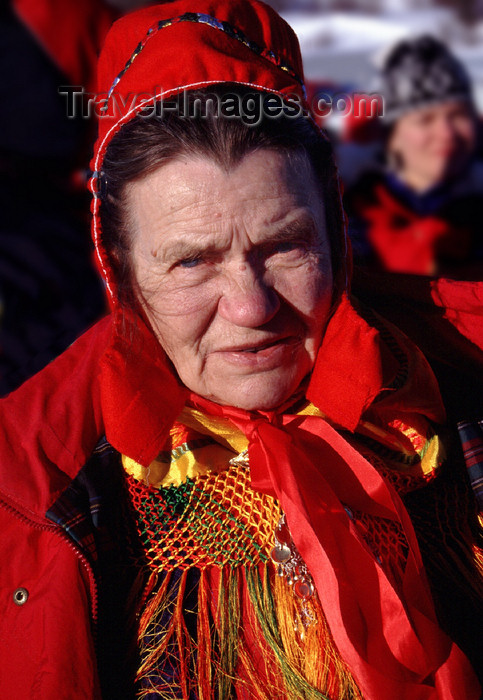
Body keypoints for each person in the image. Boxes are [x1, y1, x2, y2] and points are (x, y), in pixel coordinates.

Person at [0, 3, 481, 698]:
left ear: (334, 234)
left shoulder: (455, 394)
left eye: (283, 246)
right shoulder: (39, 495)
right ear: (120, 269)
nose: (252, 309)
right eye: (192, 262)